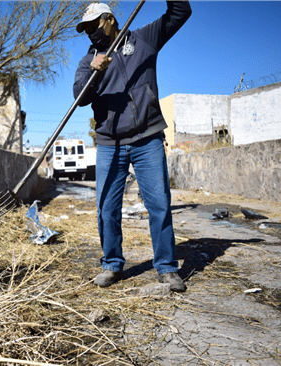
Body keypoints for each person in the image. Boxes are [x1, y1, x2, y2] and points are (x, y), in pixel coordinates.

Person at [73, 1, 192, 291]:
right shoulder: (88, 61)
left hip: (147, 138)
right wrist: (95, 71)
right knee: (106, 209)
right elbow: (79, 97)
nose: (91, 33)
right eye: (86, 29)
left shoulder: (143, 39)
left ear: (110, 20)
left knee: (159, 205)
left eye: (94, 25)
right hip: (109, 143)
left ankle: (166, 267)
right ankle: (112, 264)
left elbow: (180, 12)